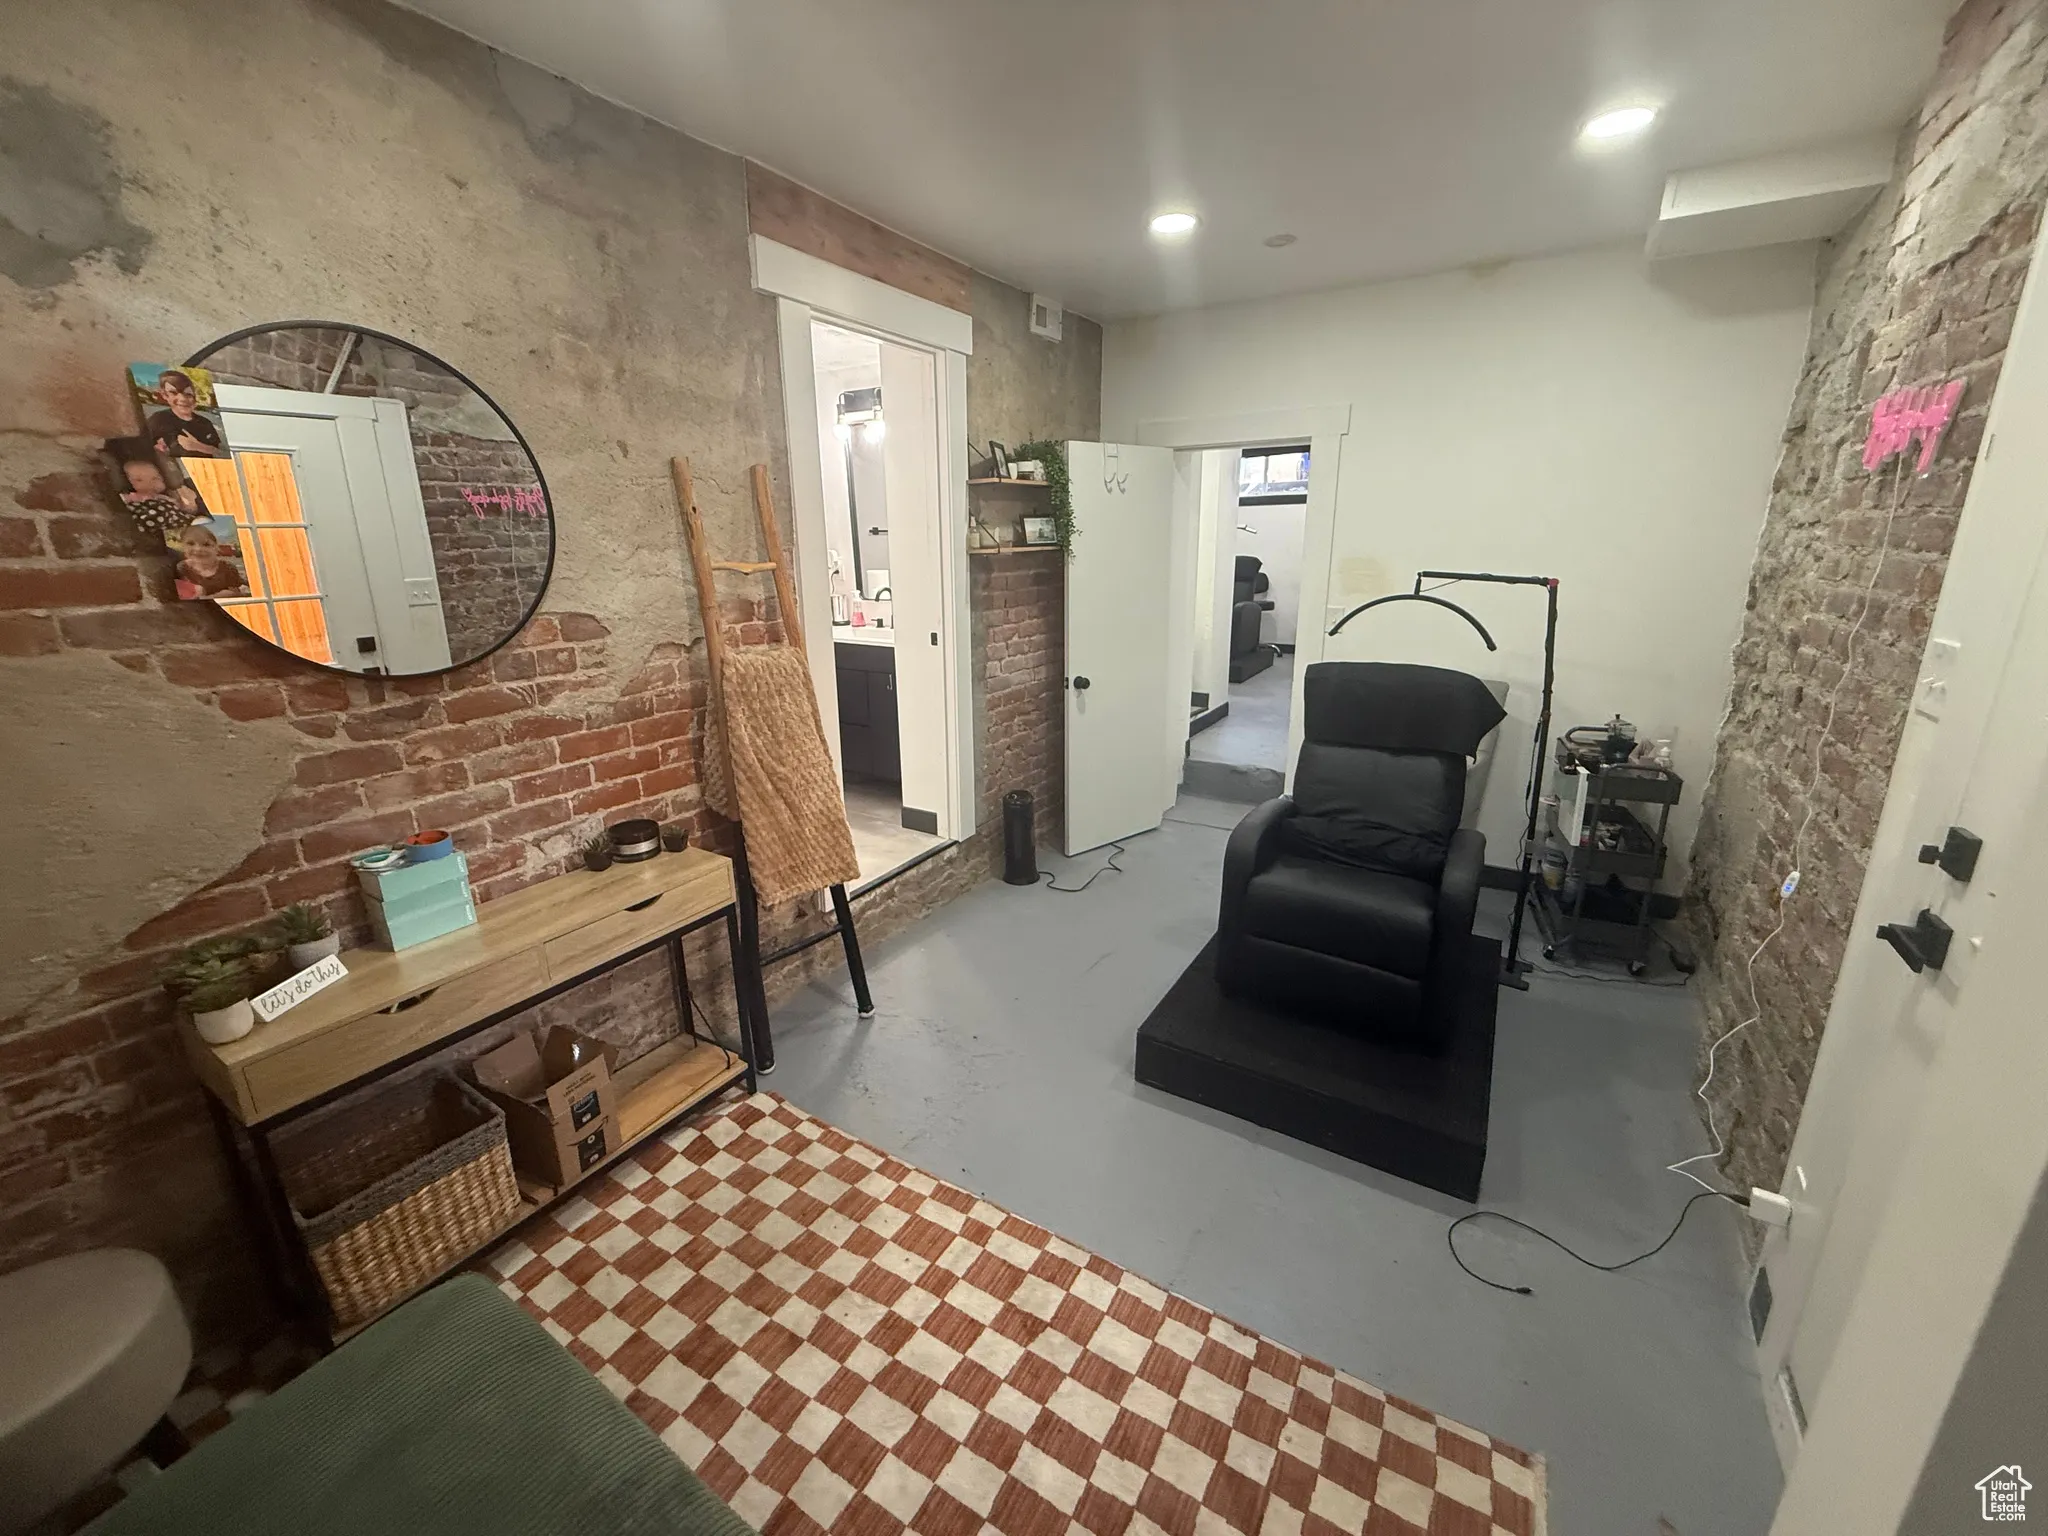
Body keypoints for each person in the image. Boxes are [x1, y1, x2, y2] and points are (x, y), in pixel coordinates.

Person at [144, 370, 226, 458]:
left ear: (194, 398)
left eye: (188, 394)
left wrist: (198, 446)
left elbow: (222, 454)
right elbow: (140, 447)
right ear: (164, 395)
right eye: (173, 393)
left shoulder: (205, 423)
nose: (182, 398)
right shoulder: (158, 419)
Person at [173, 522, 249, 599]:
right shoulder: (182, 568)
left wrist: (207, 598)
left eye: (206, 544)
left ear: (216, 548)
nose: (198, 549)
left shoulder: (228, 568)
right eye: (191, 543)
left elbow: (235, 594)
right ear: (183, 546)